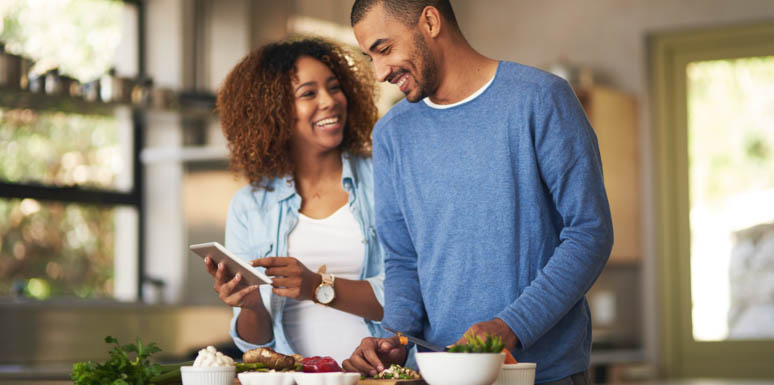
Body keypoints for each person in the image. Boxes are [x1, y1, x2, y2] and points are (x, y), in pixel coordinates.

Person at [342, 1, 614, 384]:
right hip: (437, 374)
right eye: (370, 56)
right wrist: (395, 338)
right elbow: (403, 261)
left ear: (431, 21)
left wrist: (511, 326)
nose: (379, 72)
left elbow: (589, 233)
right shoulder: (391, 134)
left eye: (384, 49)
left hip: (541, 373)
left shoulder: (541, 99)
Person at [207, 37, 385, 364]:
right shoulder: (251, 205)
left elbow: (407, 298)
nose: (330, 101)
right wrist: (249, 304)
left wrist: (317, 286)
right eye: (308, 93)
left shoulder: (384, 180)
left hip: (382, 374)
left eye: (334, 87)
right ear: (273, 112)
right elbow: (256, 343)